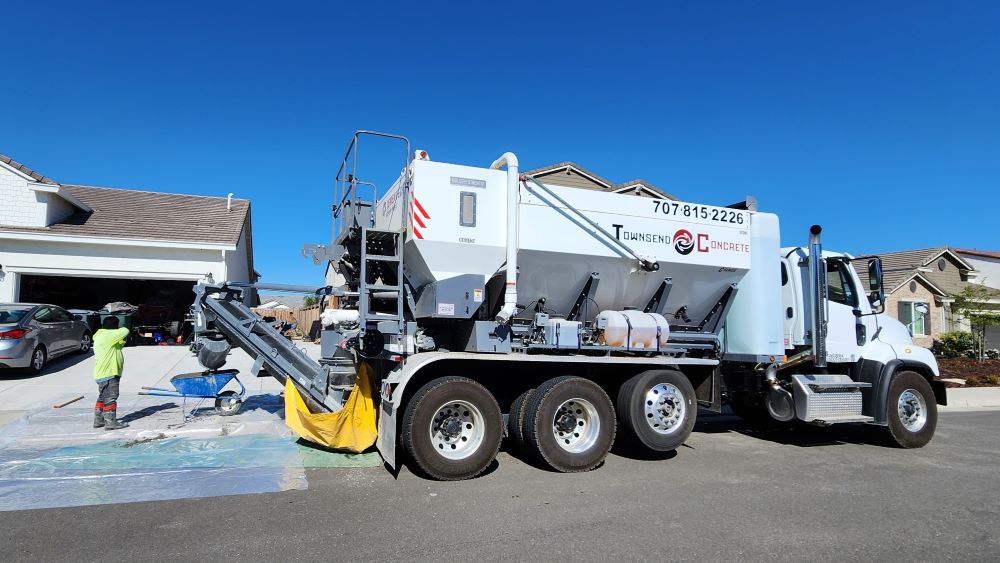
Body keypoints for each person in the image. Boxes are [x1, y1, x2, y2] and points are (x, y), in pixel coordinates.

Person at [92, 316, 130, 430]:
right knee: (111, 397)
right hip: (109, 373)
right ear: (114, 327)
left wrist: (122, 340)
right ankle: (110, 422)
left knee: (103, 397)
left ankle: (98, 420)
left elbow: (118, 346)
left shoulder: (101, 335)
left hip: (102, 373)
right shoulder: (108, 335)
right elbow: (125, 330)